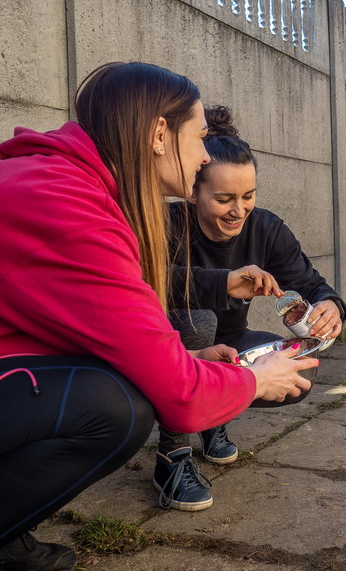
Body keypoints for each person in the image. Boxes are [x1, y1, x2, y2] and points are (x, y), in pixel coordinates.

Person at [0, 62, 317, 571]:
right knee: (116, 408)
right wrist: (254, 381)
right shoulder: (69, 207)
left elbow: (84, 326)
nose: (204, 155)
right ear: (159, 133)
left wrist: (190, 356)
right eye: (200, 137)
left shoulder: (76, 184)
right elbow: (182, 397)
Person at [155, 105, 346, 511]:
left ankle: (212, 417)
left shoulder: (267, 228)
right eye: (223, 198)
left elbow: (309, 282)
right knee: (200, 320)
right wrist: (224, 284)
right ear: (193, 190)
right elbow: (146, 283)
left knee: (295, 373)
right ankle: (172, 457)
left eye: (248, 196)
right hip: (171, 351)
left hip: (232, 342)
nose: (238, 210)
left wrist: (330, 306)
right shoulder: (167, 223)